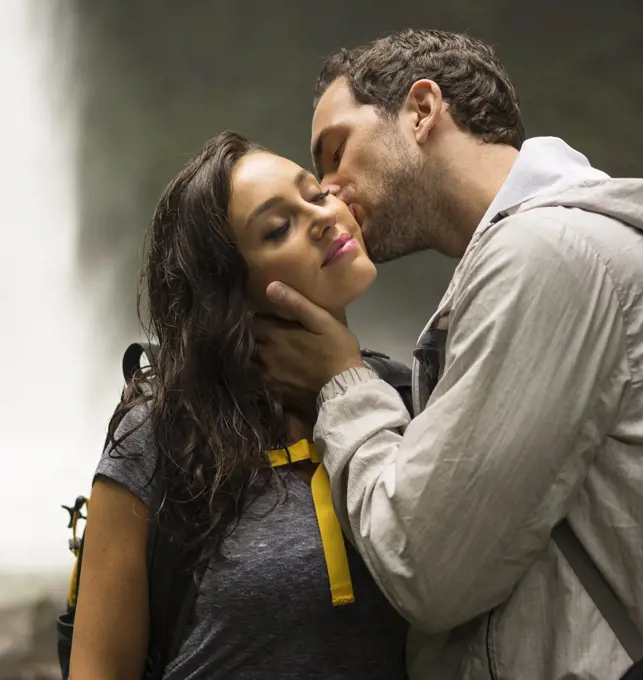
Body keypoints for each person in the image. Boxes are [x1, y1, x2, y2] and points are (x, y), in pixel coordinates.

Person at [254, 29, 643, 680]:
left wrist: (342, 382)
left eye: (335, 152)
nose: (331, 192)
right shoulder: (567, 245)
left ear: (422, 110)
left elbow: (424, 566)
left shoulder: (546, 255)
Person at [68, 131, 409, 680]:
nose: (321, 217)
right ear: (231, 291)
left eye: (316, 195)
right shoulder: (161, 440)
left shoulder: (408, 399)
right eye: (278, 228)